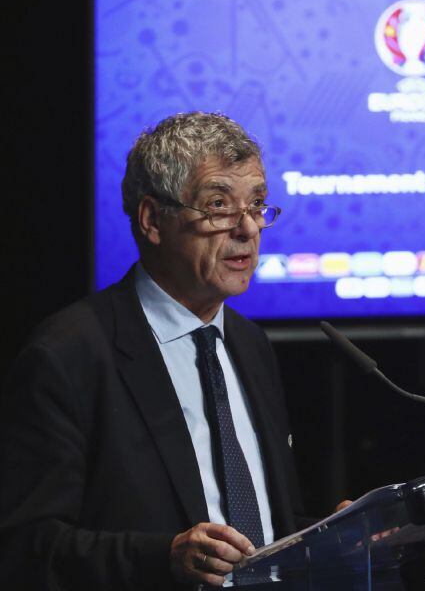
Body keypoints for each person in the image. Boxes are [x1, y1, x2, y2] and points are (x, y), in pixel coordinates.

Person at [0, 112, 321, 589]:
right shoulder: (68, 357)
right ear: (152, 220)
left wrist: (338, 538)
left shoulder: (250, 345)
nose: (248, 230)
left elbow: (275, 521)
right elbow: (24, 549)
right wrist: (162, 557)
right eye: (218, 205)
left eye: (256, 205)